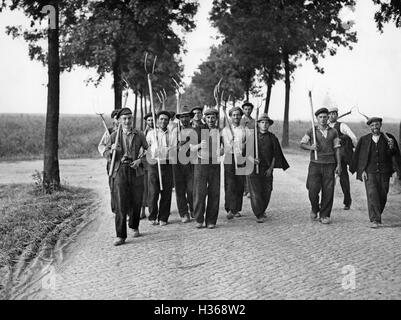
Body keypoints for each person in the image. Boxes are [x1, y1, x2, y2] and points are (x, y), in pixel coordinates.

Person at [104, 107, 148, 246]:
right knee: (121, 203)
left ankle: (134, 226)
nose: (127, 121)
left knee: (136, 201)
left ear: (132, 119)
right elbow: (105, 153)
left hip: (136, 170)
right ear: (120, 120)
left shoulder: (139, 135)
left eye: (129, 118)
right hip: (120, 170)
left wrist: (140, 161)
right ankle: (120, 235)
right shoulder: (113, 136)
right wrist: (111, 151)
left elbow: (149, 151)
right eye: (124, 119)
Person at [350, 117, 401, 228]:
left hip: (385, 172)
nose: (375, 127)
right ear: (370, 127)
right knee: (372, 195)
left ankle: (377, 214)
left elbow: (393, 155)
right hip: (370, 172)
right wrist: (361, 170)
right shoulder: (364, 140)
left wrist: (392, 147)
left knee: (383, 195)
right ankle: (375, 219)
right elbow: (359, 157)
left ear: (380, 125)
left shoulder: (388, 138)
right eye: (372, 125)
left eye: (376, 125)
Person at [300, 107, 341, 224]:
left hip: (330, 164)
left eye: (325, 117)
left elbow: (337, 148)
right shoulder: (311, 131)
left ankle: (325, 215)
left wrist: (339, 165)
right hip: (315, 164)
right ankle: (314, 207)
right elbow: (302, 144)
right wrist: (311, 147)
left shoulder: (334, 132)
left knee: (328, 190)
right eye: (320, 117)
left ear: (328, 118)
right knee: (312, 189)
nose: (323, 119)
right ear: (317, 118)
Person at [247, 114, 289, 223]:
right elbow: (245, 153)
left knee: (267, 191)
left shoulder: (272, 138)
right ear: (258, 124)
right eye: (262, 122)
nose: (264, 125)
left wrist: (271, 169)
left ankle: (262, 209)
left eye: (266, 123)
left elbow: (276, 155)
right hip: (253, 168)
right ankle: (259, 213)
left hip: (267, 169)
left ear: (269, 124)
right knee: (256, 192)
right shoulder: (252, 137)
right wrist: (252, 160)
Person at [190, 108, 222, 229]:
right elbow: (190, 147)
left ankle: (211, 220)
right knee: (199, 192)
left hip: (215, 165)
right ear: (205, 118)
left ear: (216, 118)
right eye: (208, 117)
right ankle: (199, 219)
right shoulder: (198, 129)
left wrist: (223, 150)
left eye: (213, 117)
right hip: (201, 164)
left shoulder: (219, 131)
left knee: (214, 192)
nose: (210, 120)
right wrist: (198, 145)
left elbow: (226, 146)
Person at [146, 110, 174, 226]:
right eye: (161, 119)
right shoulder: (151, 133)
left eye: (166, 119)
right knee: (153, 193)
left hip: (166, 165)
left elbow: (174, 150)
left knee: (166, 193)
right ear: (157, 120)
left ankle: (163, 217)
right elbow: (145, 148)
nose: (163, 121)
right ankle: (153, 216)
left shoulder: (172, 134)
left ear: (168, 121)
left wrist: (164, 152)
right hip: (154, 165)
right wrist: (152, 152)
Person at [328, 107, 358, 210]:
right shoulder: (324, 126)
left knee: (343, 179)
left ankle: (347, 202)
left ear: (337, 115)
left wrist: (354, 149)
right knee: (327, 180)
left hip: (340, 157)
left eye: (334, 114)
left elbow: (353, 137)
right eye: (330, 114)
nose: (332, 116)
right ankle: (325, 203)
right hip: (328, 157)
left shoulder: (341, 125)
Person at [170, 106, 196, 222]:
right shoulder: (175, 131)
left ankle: (193, 209)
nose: (184, 119)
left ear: (190, 118)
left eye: (186, 116)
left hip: (191, 162)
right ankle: (184, 213)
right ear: (179, 118)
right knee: (180, 189)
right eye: (182, 117)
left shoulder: (195, 129)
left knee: (191, 188)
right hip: (178, 163)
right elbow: (171, 147)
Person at [221, 106, 247, 219]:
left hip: (240, 157)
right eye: (234, 115)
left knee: (240, 183)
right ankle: (230, 208)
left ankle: (236, 209)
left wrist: (242, 146)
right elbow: (224, 147)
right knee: (230, 183)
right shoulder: (225, 130)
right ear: (230, 117)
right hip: (229, 157)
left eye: (238, 115)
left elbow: (247, 144)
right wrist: (230, 142)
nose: (236, 117)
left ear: (241, 116)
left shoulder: (244, 130)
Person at [98, 110, 119, 214]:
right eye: (116, 117)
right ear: (113, 119)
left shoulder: (129, 130)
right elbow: (101, 146)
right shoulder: (109, 132)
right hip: (112, 163)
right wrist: (109, 152)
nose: (118, 120)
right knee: (114, 186)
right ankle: (116, 209)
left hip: (125, 163)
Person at [240, 102, 255, 198]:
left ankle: (249, 189)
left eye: (249, 109)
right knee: (241, 168)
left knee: (249, 168)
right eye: (245, 109)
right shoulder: (239, 120)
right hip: (241, 147)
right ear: (243, 110)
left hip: (251, 146)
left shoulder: (254, 121)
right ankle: (243, 189)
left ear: (252, 110)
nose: (247, 111)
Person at [140, 112, 154, 219]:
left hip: (154, 161)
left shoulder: (158, 131)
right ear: (146, 121)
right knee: (143, 186)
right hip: (144, 162)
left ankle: (153, 208)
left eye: (152, 119)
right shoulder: (142, 133)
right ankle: (142, 210)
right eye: (149, 120)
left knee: (153, 187)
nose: (151, 122)